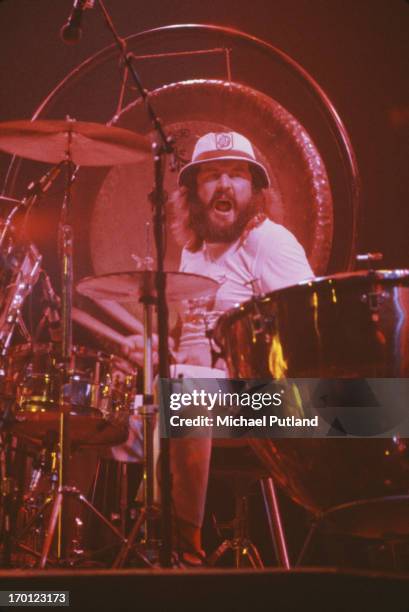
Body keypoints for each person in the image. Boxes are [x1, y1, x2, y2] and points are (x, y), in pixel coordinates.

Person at [122, 131, 313, 562]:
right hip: (217, 398)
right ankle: (141, 527)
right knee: (132, 401)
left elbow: (306, 331)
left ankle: (180, 547)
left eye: (237, 175)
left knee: (186, 395)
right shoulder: (194, 253)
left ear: (254, 190)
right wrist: (155, 349)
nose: (225, 185)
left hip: (276, 400)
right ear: (192, 193)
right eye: (212, 175)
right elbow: (196, 348)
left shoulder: (270, 242)